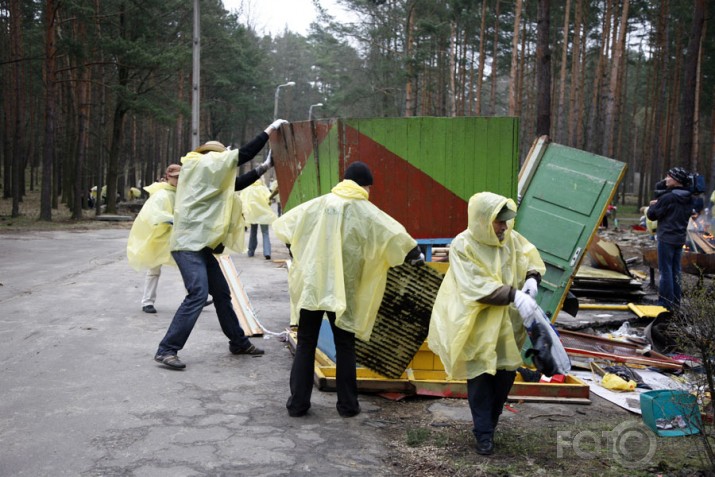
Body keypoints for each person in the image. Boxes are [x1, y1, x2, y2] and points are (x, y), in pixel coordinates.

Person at [273, 161, 424, 418]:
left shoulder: (319, 204)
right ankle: (348, 406)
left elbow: (286, 226)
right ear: (365, 185)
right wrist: (414, 255)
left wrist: (296, 250)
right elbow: (393, 232)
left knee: (306, 342)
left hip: (313, 285)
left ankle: (298, 405)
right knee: (345, 346)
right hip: (343, 290)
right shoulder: (364, 209)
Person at [154, 119, 288, 370]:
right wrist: (269, 130)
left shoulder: (206, 176)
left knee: (222, 295)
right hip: (187, 245)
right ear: (210, 156)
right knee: (198, 294)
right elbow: (244, 154)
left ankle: (238, 342)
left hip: (200, 245)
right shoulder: (198, 166)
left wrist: (264, 167)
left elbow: (235, 185)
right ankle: (166, 349)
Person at [427, 191, 546, 456]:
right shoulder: (463, 245)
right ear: (483, 219)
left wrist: (532, 278)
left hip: (507, 325)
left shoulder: (511, 240)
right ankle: (483, 434)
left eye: (505, 221)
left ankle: (490, 425)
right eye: (498, 221)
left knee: (504, 378)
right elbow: (476, 286)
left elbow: (529, 258)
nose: (504, 226)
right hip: (476, 325)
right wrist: (514, 294)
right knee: (480, 378)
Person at [127, 164, 181, 314]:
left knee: (187, 267)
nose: (178, 179)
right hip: (160, 236)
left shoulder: (181, 193)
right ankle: (147, 302)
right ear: (168, 177)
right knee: (154, 269)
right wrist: (174, 219)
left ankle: (196, 298)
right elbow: (155, 214)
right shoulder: (161, 194)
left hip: (177, 236)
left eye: (181, 176)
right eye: (175, 177)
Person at [647, 167, 694, 310]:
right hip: (679, 238)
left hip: (666, 238)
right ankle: (675, 302)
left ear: (677, 180)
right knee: (675, 270)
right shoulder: (688, 197)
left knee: (665, 270)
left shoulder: (668, 197)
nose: (666, 179)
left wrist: (652, 206)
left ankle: (665, 302)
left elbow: (652, 215)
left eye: (668, 177)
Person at [241, 176, 278, 260]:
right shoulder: (263, 189)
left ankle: (251, 251)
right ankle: (267, 253)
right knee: (265, 233)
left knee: (253, 233)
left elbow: (242, 200)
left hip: (253, 214)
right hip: (264, 214)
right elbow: (269, 200)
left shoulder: (247, 189)